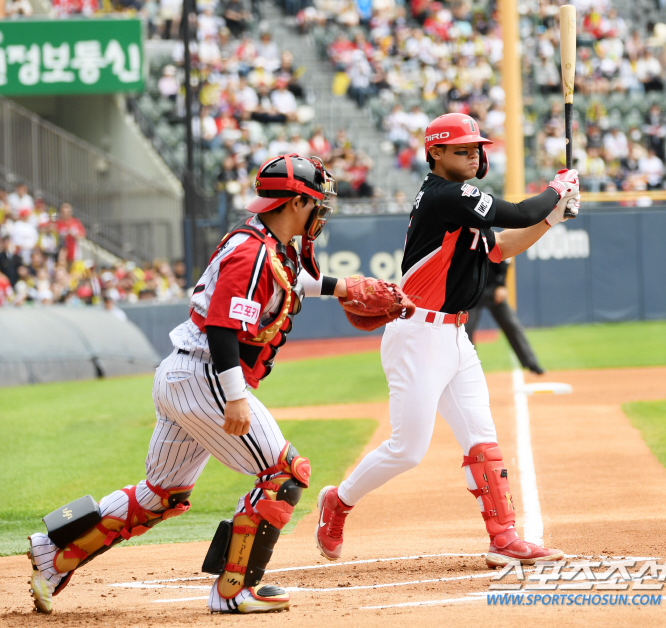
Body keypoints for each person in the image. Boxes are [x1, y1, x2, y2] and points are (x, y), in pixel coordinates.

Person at [26, 155, 407, 615]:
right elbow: (223, 328)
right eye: (314, 203)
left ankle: (54, 551)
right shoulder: (253, 251)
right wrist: (235, 396)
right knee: (283, 473)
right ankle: (235, 589)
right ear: (294, 203)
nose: (320, 212)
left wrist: (344, 287)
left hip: (183, 375)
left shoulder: (267, 242)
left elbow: (290, 280)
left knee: (161, 493)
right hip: (206, 374)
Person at [315, 113, 580, 569]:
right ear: (435, 153)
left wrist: (552, 219)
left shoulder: (458, 203)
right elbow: (518, 211)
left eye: (476, 148)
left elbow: (500, 246)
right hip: (418, 334)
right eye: (462, 149)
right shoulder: (446, 195)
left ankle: (503, 537)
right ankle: (338, 501)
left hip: (454, 336)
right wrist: (558, 189)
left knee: (482, 439)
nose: (474, 155)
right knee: (407, 450)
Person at [464, 259, 545, 375]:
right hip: (472, 293)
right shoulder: (466, 243)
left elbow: (504, 261)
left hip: (493, 289)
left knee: (512, 325)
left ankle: (532, 364)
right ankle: (469, 370)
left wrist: (501, 285)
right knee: (466, 332)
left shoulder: (492, 241)